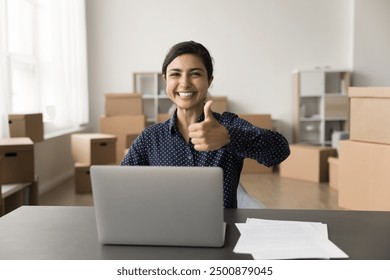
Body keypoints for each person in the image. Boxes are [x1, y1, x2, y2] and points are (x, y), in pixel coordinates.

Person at [121, 41, 290, 208]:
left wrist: (229, 137)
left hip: (221, 230)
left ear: (209, 80)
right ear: (165, 80)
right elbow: (122, 187)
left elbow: (280, 150)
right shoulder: (150, 137)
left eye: (195, 74)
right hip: (167, 230)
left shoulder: (226, 125)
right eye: (175, 74)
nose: (185, 83)